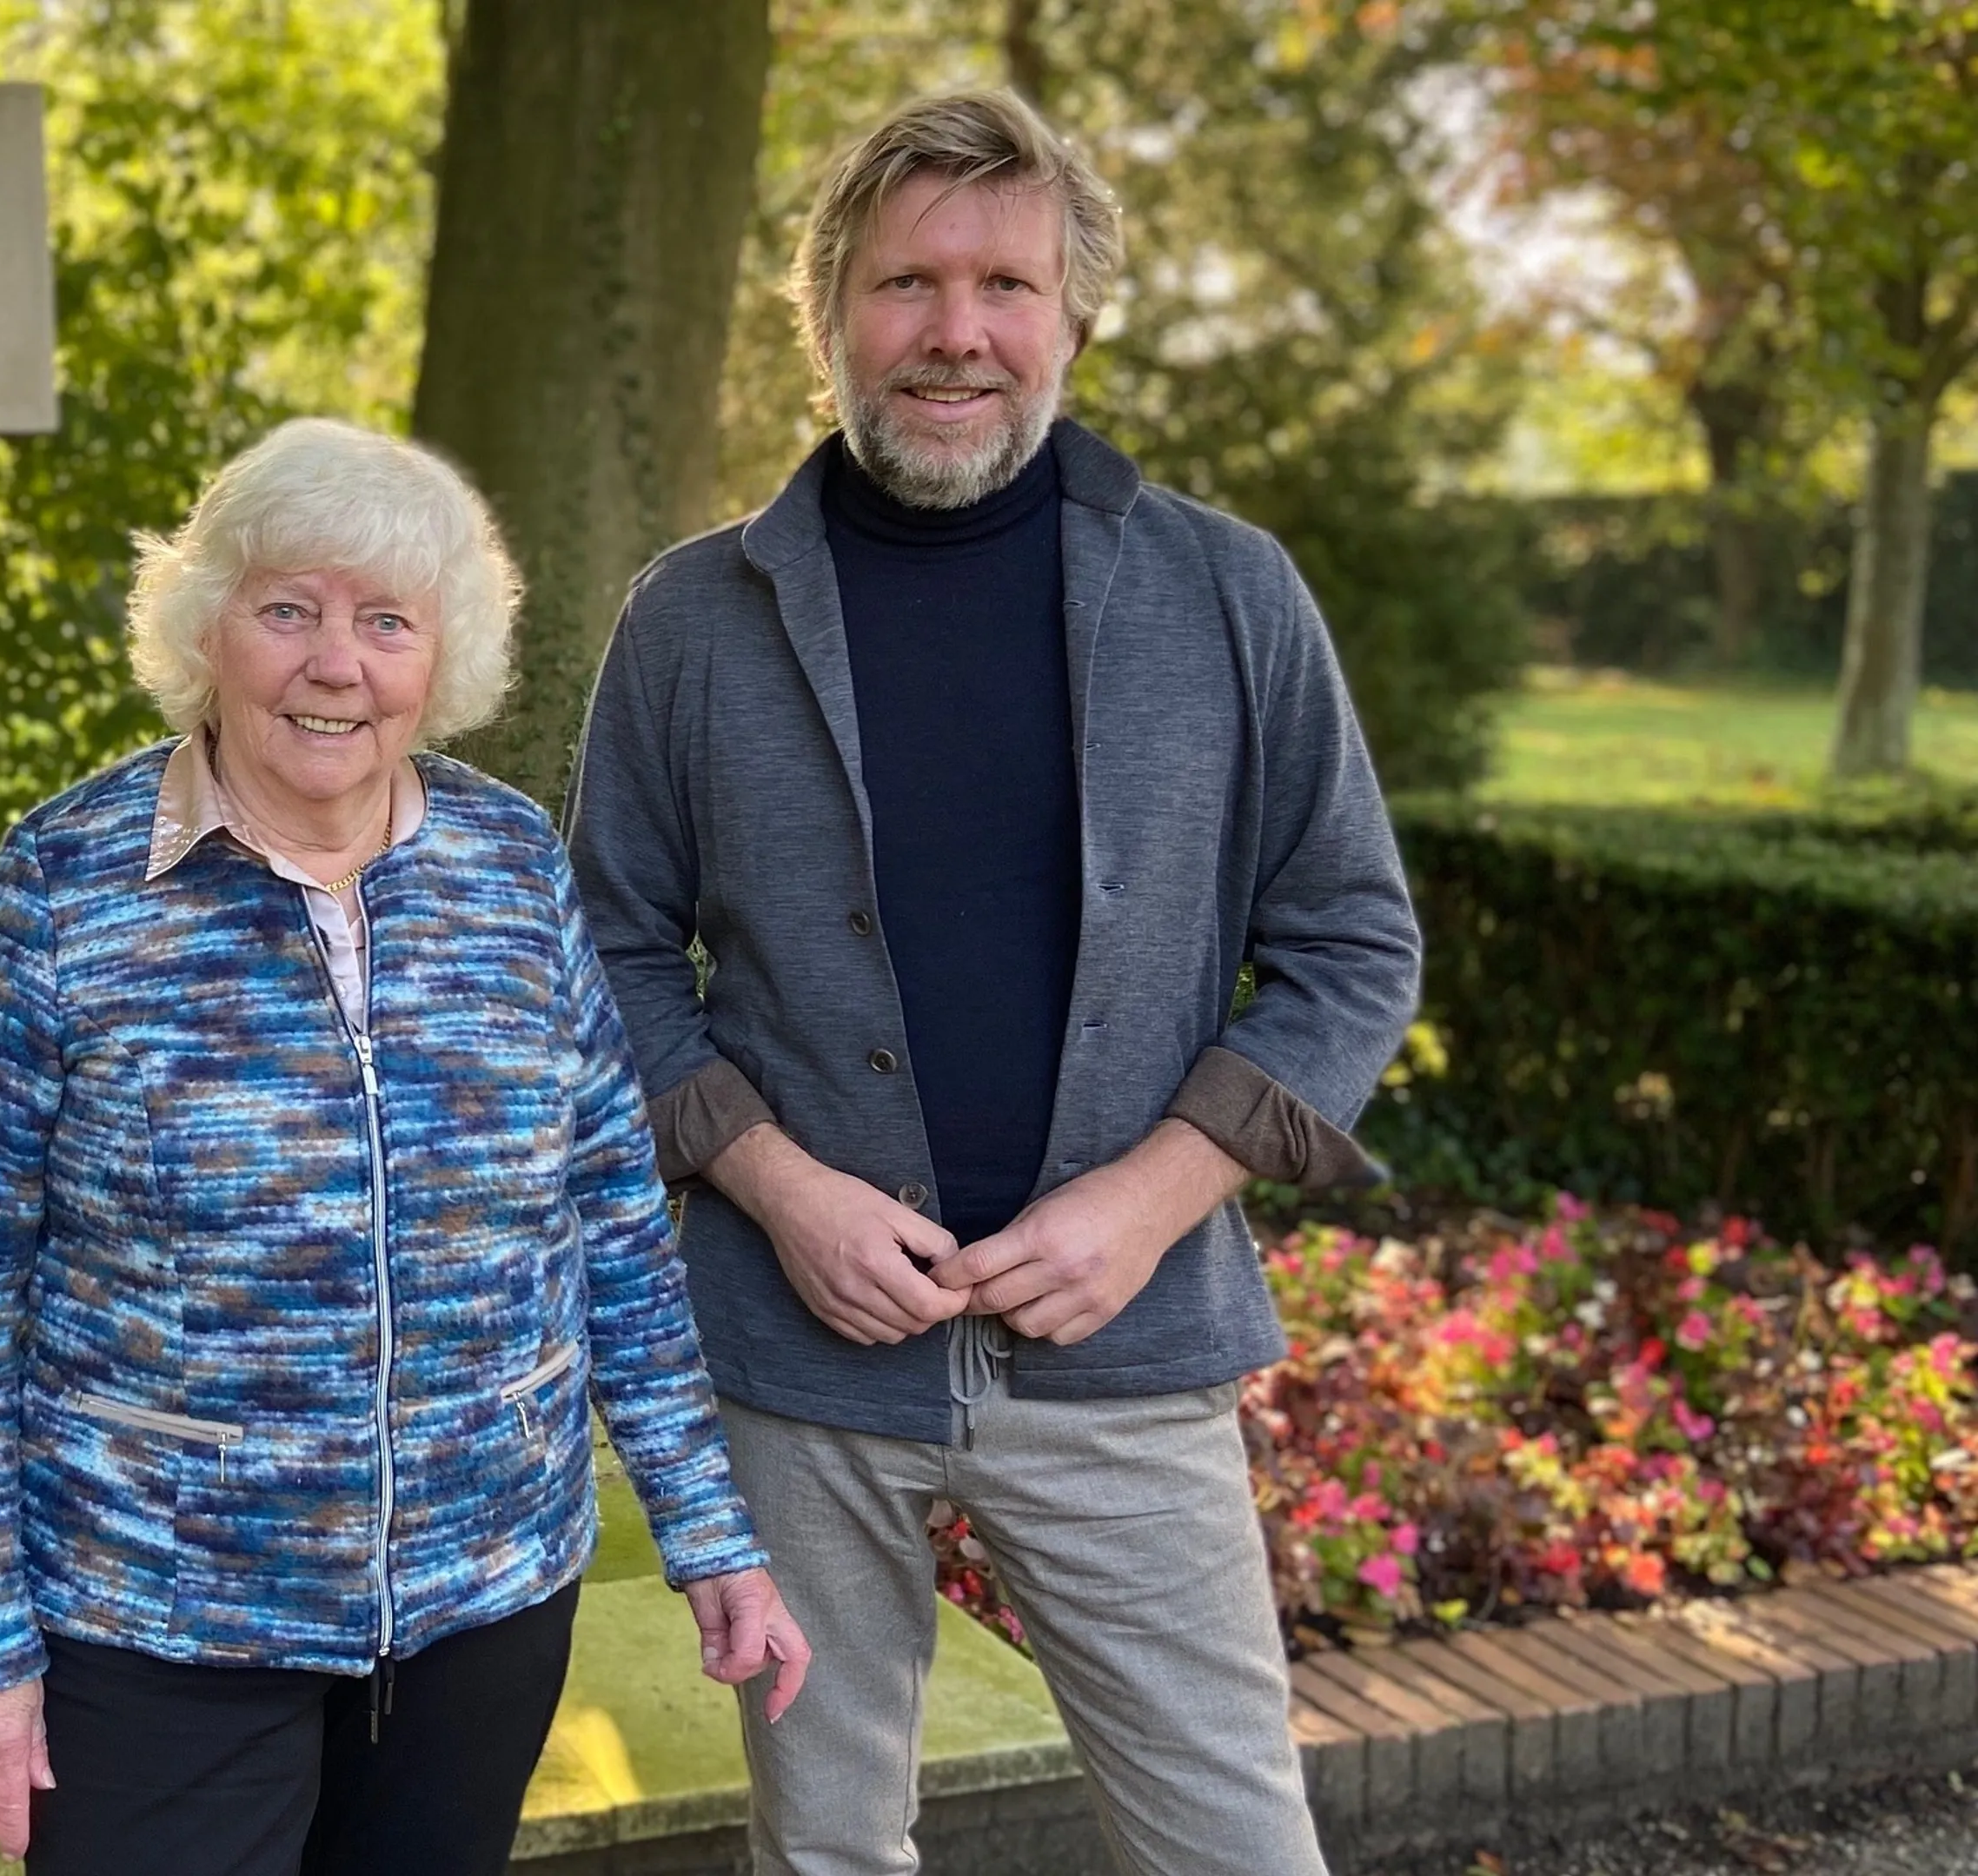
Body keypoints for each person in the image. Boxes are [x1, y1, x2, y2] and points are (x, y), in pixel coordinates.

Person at [567, 90, 1424, 1876]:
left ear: (1073, 316)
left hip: (1131, 1350)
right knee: (825, 1849)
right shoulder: (692, 619)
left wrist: (1149, 1198)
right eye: (906, 283)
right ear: (827, 315)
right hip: (796, 1364)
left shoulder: (1227, 593)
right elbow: (604, 955)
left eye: (1005, 285)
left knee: (1237, 1850)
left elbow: (1352, 942)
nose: (955, 331)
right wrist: (776, 1184)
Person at [0, 416, 807, 1876]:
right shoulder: (66, 886)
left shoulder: (512, 865)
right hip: (163, 1618)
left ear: (442, 659)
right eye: (287, 610)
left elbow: (612, 1225)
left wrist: (706, 1527)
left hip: (480, 1601)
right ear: (207, 628)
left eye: (387, 621)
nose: (337, 664)